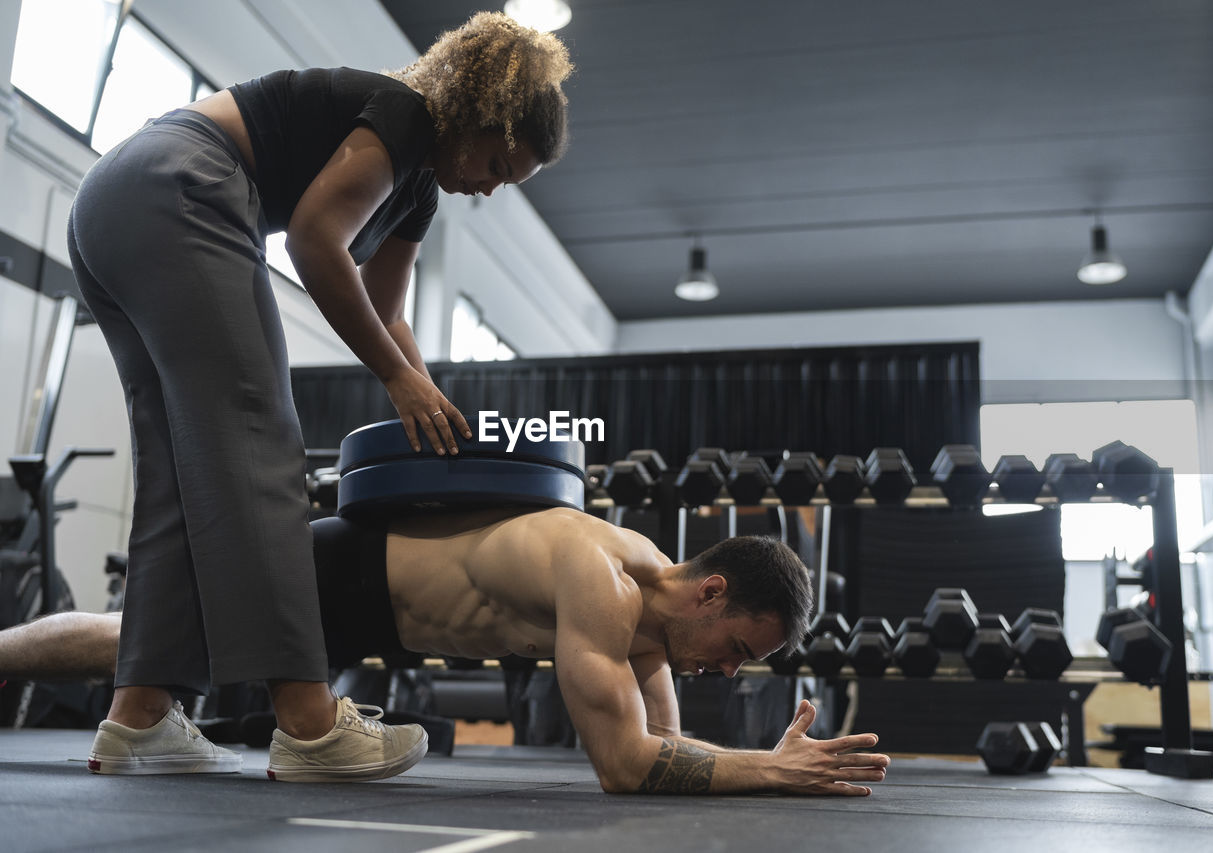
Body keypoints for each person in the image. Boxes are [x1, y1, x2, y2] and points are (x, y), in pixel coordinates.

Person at [63, 11, 571, 781]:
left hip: (114, 200)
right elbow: (311, 241)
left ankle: (139, 714)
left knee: (178, 470)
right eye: (500, 163)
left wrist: (424, 392)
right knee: (257, 440)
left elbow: (388, 310)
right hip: (180, 182)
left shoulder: (419, 192)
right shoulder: (405, 113)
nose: (494, 187)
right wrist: (395, 379)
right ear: (478, 117)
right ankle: (308, 721)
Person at [0, 507, 891, 795]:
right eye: (736, 649)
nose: (728, 672)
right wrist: (766, 772)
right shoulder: (604, 578)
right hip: (343, 571)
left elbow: (670, 746)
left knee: (146, 645)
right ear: (712, 591)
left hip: (376, 616)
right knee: (139, 638)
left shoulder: (657, 631)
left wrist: (748, 758)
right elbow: (625, 764)